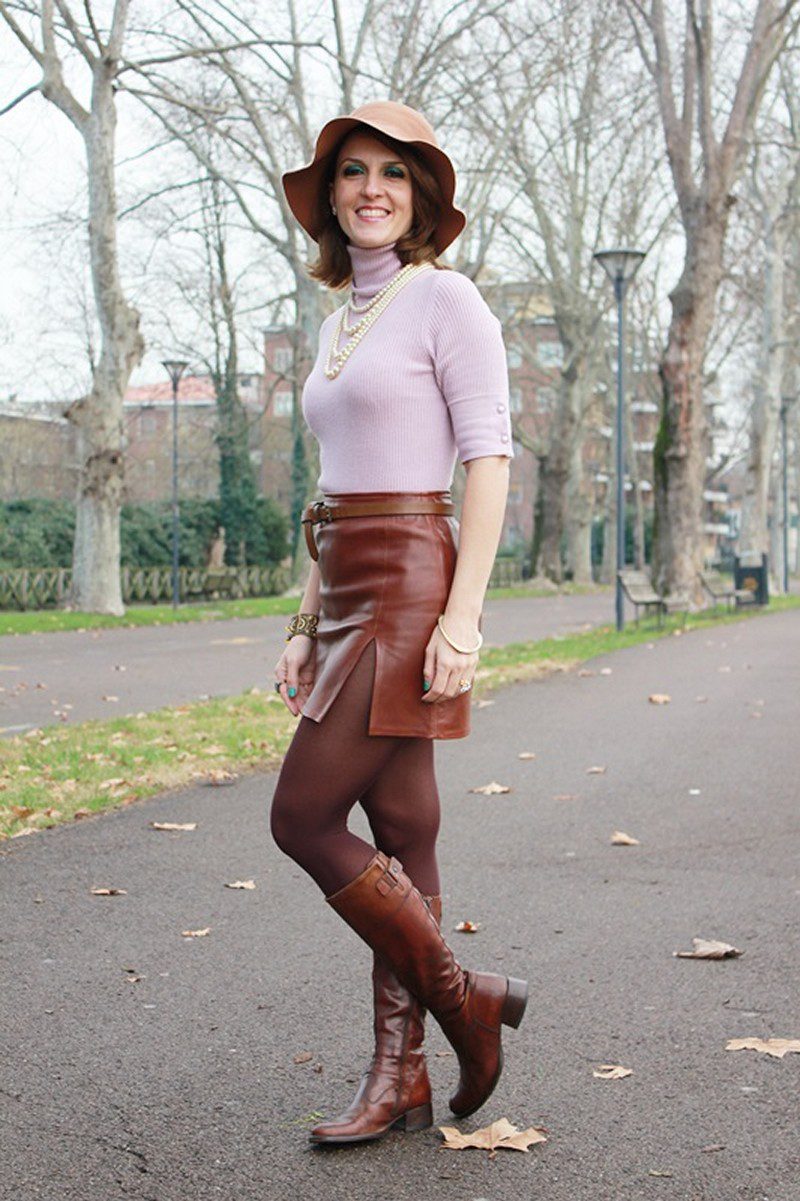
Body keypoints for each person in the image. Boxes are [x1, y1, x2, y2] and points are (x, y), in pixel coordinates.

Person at [271, 100, 528, 1145]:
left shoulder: (445, 299)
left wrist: (461, 620)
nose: (369, 188)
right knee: (404, 829)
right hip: (343, 580)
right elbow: (332, 479)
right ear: (329, 196)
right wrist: (303, 614)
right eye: (350, 172)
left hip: (414, 579)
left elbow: (487, 457)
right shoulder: (338, 322)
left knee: (299, 819)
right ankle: (402, 1071)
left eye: (392, 172)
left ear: (420, 195)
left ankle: (464, 995)